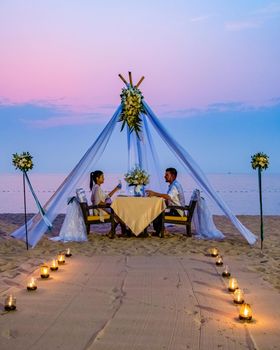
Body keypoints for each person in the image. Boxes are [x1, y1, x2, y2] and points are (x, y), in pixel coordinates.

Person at [146, 167, 185, 236]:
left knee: (156, 212)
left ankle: (161, 231)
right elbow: (169, 199)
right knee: (157, 210)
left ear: (172, 176)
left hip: (178, 211)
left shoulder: (175, 186)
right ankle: (160, 231)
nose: (164, 176)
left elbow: (168, 196)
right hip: (176, 210)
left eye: (167, 175)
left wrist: (154, 194)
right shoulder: (174, 184)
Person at [90, 170, 126, 237]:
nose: (104, 178)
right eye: (102, 177)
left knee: (119, 213)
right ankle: (124, 231)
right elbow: (99, 203)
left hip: (103, 208)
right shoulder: (97, 188)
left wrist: (116, 189)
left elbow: (106, 197)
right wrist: (109, 205)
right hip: (100, 210)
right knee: (119, 214)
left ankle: (119, 231)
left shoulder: (97, 187)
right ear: (97, 178)